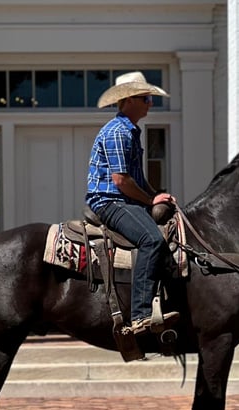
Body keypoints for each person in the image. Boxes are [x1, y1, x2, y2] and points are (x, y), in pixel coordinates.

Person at [86, 71, 179, 335]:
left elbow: (137, 177)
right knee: (152, 241)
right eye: (146, 98)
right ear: (128, 100)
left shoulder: (130, 131)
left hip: (123, 198)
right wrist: (151, 200)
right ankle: (140, 315)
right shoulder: (118, 132)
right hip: (109, 201)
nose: (151, 103)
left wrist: (157, 194)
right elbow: (121, 181)